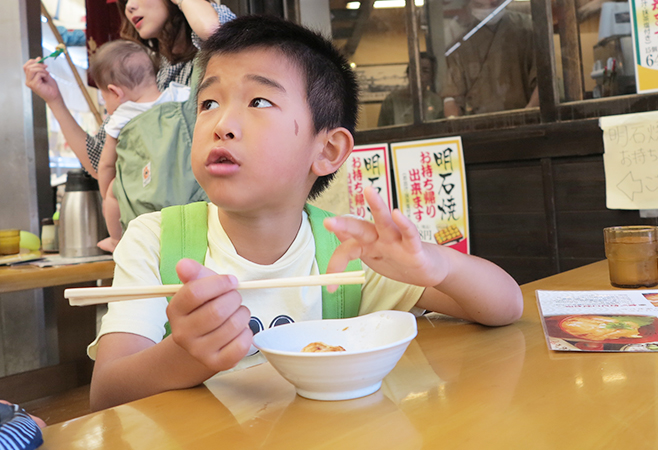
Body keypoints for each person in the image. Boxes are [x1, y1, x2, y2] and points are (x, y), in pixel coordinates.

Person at [88, 15, 524, 411]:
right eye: (208, 103)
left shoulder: (344, 255)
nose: (222, 123)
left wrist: (436, 264)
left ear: (328, 150)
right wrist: (185, 355)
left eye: (258, 102)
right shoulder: (155, 240)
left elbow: (504, 307)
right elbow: (106, 391)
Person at [23, 0, 235, 178]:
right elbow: (99, 161)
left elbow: (214, 31)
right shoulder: (150, 75)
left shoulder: (211, 51)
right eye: (125, 1)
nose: (129, 7)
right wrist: (54, 101)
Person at [89, 40, 190, 252]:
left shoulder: (121, 118)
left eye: (103, 96)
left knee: (112, 192)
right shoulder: (179, 95)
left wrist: (107, 193)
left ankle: (117, 241)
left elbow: (106, 165)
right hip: (184, 183)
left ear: (115, 92)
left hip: (144, 190)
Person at [441, 0, 539, 116]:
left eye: (494, 4)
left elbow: (544, 81)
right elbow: (452, 97)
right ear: (469, 4)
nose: (487, 10)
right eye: (479, 5)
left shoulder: (527, 28)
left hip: (527, 119)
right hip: (477, 125)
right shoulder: (461, 42)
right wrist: (455, 125)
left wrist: (528, 114)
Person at [377, 52, 445, 127]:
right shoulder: (392, 100)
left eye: (425, 71)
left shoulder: (436, 101)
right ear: (408, 73)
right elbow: (383, 131)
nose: (419, 75)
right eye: (415, 69)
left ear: (432, 77)